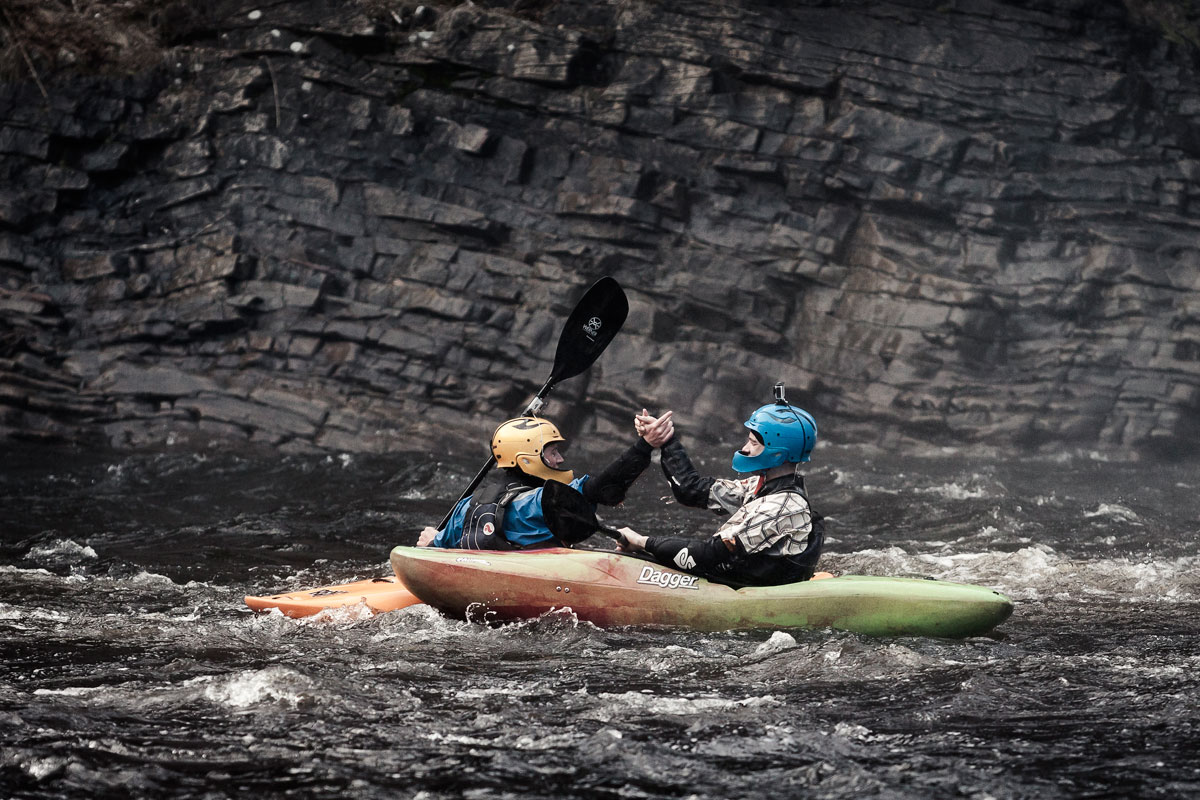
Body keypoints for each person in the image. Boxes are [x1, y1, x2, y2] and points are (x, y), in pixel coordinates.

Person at [617, 384, 825, 587]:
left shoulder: (783, 507)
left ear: (778, 453)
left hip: (757, 587)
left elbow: (711, 554)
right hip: (745, 574)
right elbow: (691, 490)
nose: (745, 448)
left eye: (753, 443)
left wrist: (642, 542)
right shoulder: (761, 486)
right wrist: (665, 440)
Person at [417, 413, 673, 550]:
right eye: (552, 452)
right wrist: (645, 445)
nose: (560, 459)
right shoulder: (544, 501)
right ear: (527, 459)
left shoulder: (465, 507)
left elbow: (434, 548)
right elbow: (604, 488)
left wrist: (432, 541)